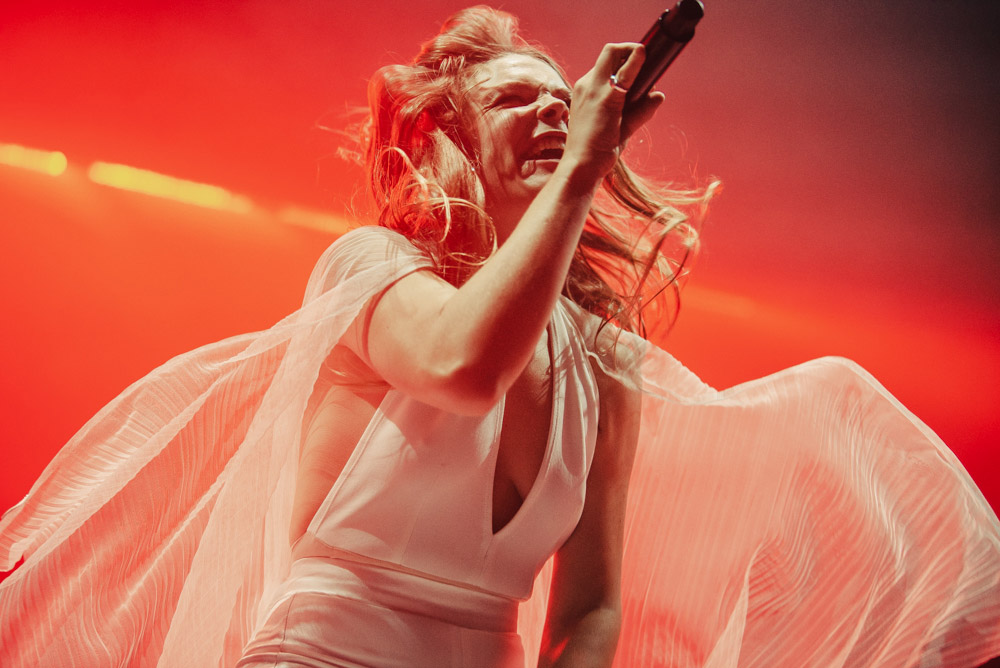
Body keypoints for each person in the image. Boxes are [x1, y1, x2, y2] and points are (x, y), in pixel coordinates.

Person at [1, 7, 998, 668]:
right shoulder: (370, 269)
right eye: (518, 99)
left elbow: (589, 606)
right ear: (450, 137)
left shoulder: (602, 360)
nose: (556, 115)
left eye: (568, 105)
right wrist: (583, 168)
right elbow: (462, 365)